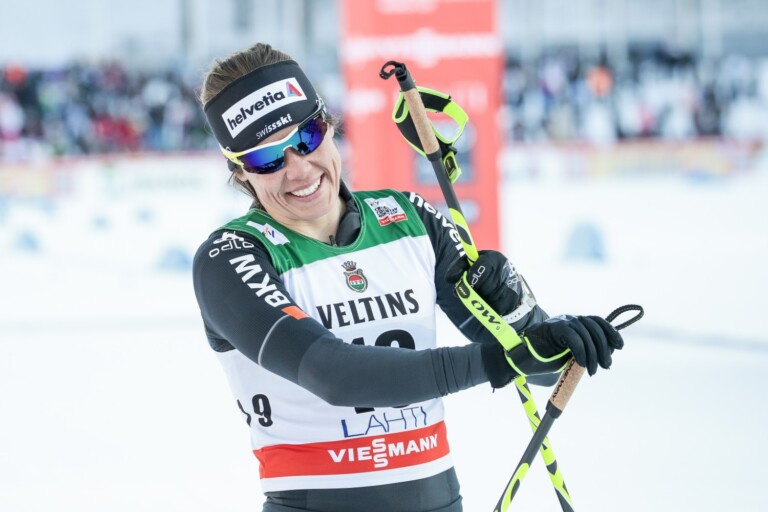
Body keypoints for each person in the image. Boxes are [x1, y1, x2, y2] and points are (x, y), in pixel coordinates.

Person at [192, 43, 623, 512]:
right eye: (267, 159)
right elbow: (333, 374)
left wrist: (529, 320)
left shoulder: (409, 217)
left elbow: (539, 369)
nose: (299, 169)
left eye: (307, 137)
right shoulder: (230, 257)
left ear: (329, 125)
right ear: (241, 172)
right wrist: (499, 361)